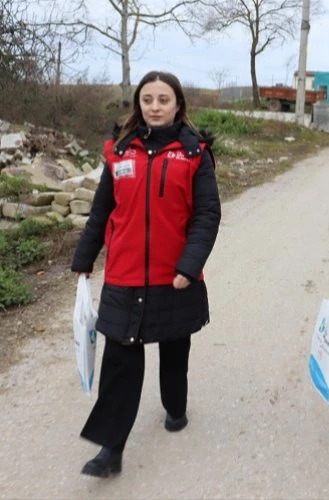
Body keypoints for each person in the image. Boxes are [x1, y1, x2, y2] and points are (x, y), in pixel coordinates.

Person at [71, 70, 221, 477]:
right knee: (120, 359)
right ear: (139, 104)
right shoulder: (120, 151)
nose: (155, 107)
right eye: (148, 99)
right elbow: (103, 210)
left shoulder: (194, 152)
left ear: (178, 105)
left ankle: (175, 406)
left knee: (174, 350)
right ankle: (110, 449)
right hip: (124, 274)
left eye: (163, 100)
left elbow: (207, 215)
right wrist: (84, 259)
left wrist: (190, 266)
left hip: (175, 276)